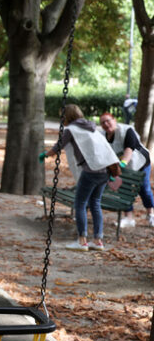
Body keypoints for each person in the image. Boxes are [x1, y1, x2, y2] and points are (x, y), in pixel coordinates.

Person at [39, 104, 119, 252]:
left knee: (80, 204)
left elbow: (59, 146)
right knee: (95, 203)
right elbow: (104, 147)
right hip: (104, 171)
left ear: (66, 116)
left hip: (91, 171)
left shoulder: (71, 130)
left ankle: (82, 241)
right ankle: (98, 240)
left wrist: (45, 154)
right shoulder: (92, 128)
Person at [99, 112, 154, 228]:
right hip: (120, 165)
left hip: (139, 163)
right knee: (123, 189)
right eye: (103, 122)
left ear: (114, 120)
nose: (106, 124)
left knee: (144, 189)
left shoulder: (127, 130)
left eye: (108, 120)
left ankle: (151, 214)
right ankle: (129, 217)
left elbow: (129, 148)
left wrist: (121, 165)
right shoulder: (102, 135)